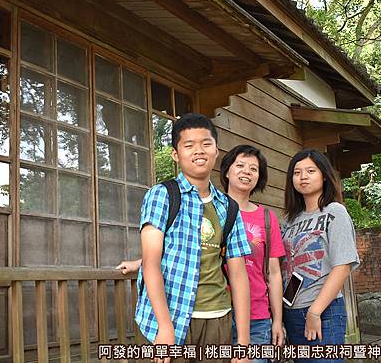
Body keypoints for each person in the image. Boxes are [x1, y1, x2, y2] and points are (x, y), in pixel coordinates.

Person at [132, 113, 252, 363]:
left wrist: (243, 340)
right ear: (176, 154)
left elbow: (239, 274)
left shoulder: (228, 207)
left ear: (216, 151)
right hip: (169, 318)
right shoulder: (162, 195)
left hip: (217, 320)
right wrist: (165, 326)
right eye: (189, 145)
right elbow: (150, 263)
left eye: (206, 144)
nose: (199, 151)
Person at [281, 149, 360, 363]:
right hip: (292, 312)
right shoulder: (289, 220)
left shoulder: (334, 212)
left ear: (323, 175)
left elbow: (342, 265)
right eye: (297, 173)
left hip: (324, 311)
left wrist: (315, 312)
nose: (303, 176)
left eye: (310, 171)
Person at [219, 145, 285, 362]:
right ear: (227, 171)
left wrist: (277, 320)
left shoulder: (267, 218)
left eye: (253, 169)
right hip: (217, 314)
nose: (246, 171)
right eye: (240, 165)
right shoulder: (209, 211)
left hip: (258, 319)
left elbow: (274, 274)